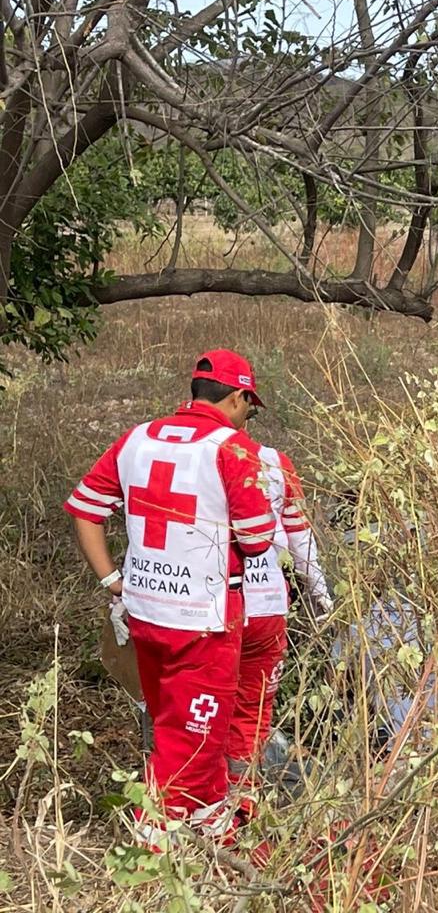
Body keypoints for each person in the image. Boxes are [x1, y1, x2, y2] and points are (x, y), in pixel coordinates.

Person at [64, 350, 275, 843]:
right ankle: (153, 841)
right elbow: (257, 540)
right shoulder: (233, 449)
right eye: (250, 405)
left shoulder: (136, 438)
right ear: (238, 396)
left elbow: (85, 509)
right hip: (203, 620)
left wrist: (111, 580)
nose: (248, 415)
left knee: (171, 724)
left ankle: (210, 828)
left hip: (144, 610)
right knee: (194, 739)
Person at [226, 442, 332, 788]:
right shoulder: (273, 462)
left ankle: (194, 799)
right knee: (250, 715)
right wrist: (320, 596)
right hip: (264, 605)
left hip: (204, 607)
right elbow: (300, 538)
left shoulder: (171, 450)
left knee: (197, 710)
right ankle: (241, 799)